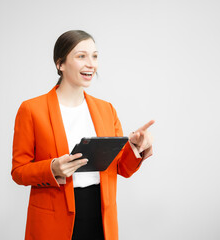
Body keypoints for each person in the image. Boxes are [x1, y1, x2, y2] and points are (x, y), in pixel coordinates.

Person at [11, 30, 154, 240]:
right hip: (54, 219)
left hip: (100, 216)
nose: (91, 64)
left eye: (94, 56)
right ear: (60, 64)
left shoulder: (107, 110)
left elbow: (121, 168)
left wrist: (135, 147)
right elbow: (18, 171)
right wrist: (51, 168)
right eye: (81, 56)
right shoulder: (32, 110)